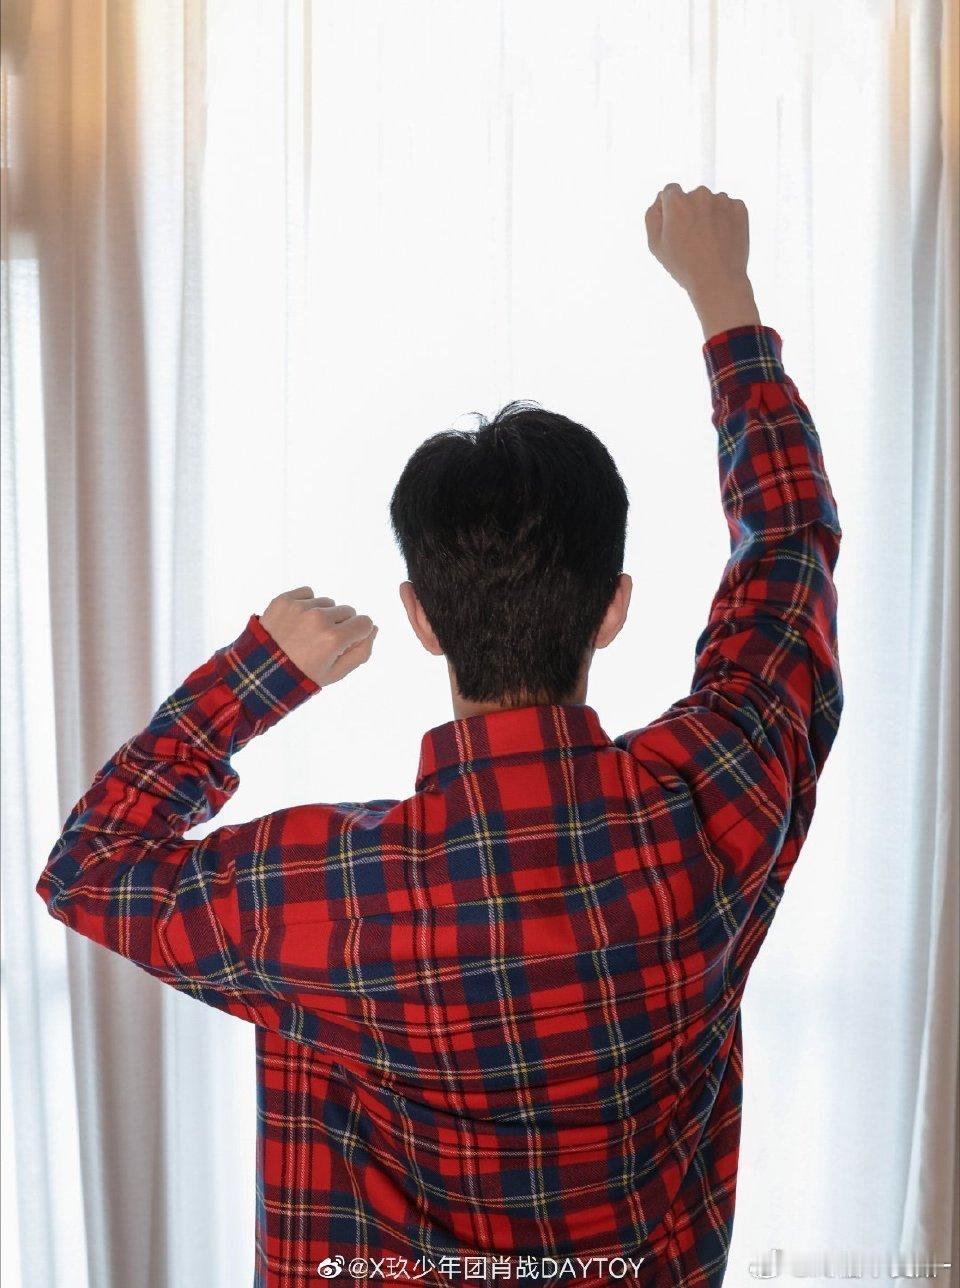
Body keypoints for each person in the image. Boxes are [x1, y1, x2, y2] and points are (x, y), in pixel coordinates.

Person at [36, 183, 843, 1288]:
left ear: (419, 617)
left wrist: (260, 673)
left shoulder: (330, 890)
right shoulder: (717, 793)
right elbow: (788, 550)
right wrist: (724, 299)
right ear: (614, 607)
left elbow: (89, 869)